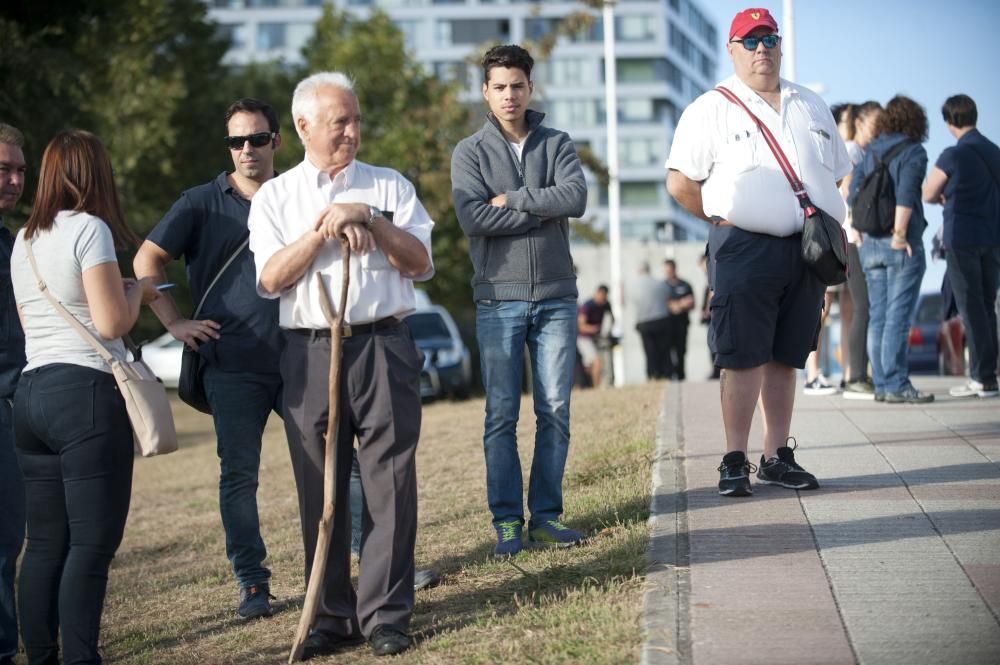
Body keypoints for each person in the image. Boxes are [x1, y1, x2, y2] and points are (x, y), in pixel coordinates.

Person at [248, 71, 434, 658]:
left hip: (383, 346)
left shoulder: (390, 186)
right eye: (339, 122)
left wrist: (370, 220)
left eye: (355, 119)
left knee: (391, 479)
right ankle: (329, 615)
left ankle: (385, 615)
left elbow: (421, 262)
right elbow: (270, 278)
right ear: (302, 127)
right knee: (318, 485)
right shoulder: (275, 198)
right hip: (309, 352)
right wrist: (321, 232)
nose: (352, 131)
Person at [666, 7, 849, 496]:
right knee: (741, 355)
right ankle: (732, 459)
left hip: (805, 249)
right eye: (750, 41)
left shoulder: (810, 103)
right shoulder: (711, 107)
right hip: (743, 246)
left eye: (769, 39)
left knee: (787, 355)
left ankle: (776, 457)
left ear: (780, 45)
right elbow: (680, 182)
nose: (761, 49)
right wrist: (724, 217)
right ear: (732, 50)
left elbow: (835, 172)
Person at [9, 130, 160, 664]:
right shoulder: (90, 229)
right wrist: (139, 289)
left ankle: (42, 656)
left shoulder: (24, 239)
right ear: (96, 175)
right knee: (91, 546)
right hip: (85, 395)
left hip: (32, 397)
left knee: (46, 544)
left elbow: (35, 323)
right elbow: (112, 321)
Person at [133, 98, 285, 620]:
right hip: (233, 364)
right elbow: (146, 261)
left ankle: (362, 559)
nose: (247, 150)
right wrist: (174, 322)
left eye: (257, 139)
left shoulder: (297, 195)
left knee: (340, 459)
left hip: (300, 355)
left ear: (276, 142)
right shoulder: (200, 202)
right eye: (236, 141)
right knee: (239, 476)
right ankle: (252, 584)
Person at [451, 44, 588, 555]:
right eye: (500, 87)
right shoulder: (469, 152)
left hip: (555, 296)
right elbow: (472, 218)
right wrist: (542, 209)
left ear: (531, 88)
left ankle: (546, 517)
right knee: (501, 415)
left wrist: (515, 199)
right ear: (486, 92)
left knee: (555, 410)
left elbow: (574, 198)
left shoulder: (557, 142)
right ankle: (507, 521)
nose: (510, 95)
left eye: (518, 86)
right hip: (497, 300)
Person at [849, 95, 933, 404]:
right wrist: (899, 235)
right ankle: (896, 382)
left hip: (869, 243)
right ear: (916, 122)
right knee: (897, 317)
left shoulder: (871, 150)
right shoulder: (913, 151)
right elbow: (907, 194)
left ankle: (884, 384)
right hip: (899, 242)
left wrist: (857, 232)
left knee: (879, 316)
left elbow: (853, 192)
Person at [923, 94, 1000, 398]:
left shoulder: (953, 155)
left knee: (970, 308)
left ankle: (981, 378)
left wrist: (944, 197)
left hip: (962, 238)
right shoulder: (994, 152)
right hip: (993, 238)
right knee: (986, 306)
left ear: (950, 121)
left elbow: (929, 192)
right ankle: (989, 375)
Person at [0, 123, 27, 665]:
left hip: (15, 401)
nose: (14, 179)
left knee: (8, 543)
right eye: (3, 168)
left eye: (20, 169)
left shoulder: (11, 240)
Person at [839, 101, 883, 399]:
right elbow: (845, 191)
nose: (878, 130)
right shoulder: (854, 151)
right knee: (863, 308)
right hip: (853, 238)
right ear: (862, 122)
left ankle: (857, 374)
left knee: (860, 308)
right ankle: (855, 376)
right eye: (875, 124)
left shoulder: (862, 152)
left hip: (856, 237)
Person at [633, 261, 671, 379]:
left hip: (644, 322)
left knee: (649, 351)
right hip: (661, 320)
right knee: (663, 350)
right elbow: (668, 298)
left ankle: (652, 375)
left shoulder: (634, 285)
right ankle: (664, 373)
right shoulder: (660, 284)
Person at [663, 259, 695, 381]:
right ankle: (671, 375)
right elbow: (663, 303)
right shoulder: (663, 286)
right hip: (667, 325)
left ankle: (681, 376)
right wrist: (681, 303)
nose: (667, 273)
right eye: (665, 271)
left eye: (669, 270)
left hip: (682, 324)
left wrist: (677, 305)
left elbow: (692, 303)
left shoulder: (685, 285)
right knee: (668, 351)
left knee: (681, 350)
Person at [577, 284, 613, 387]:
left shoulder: (606, 305)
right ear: (597, 293)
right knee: (597, 362)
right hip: (584, 338)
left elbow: (611, 318)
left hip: (597, 338)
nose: (603, 298)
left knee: (595, 365)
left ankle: (594, 385)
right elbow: (581, 326)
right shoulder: (587, 305)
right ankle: (596, 388)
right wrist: (594, 329)